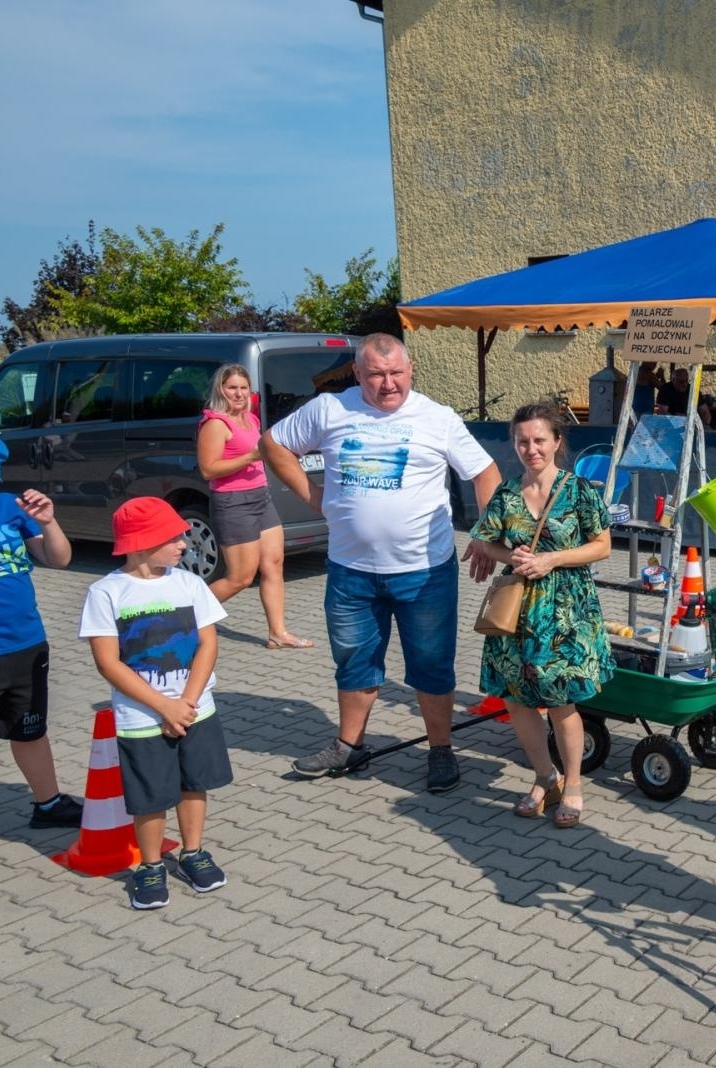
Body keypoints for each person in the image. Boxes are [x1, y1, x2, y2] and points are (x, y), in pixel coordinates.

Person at [262, 333, 502, 793]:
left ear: (411, 370)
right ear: (358, 373)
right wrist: (315, 497)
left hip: (424, 571)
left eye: (395, 373)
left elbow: (484, 471)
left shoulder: (437, 418)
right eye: (376, 374)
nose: (387, 384)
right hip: (350, 571)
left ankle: (440, 751)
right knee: (353, 661)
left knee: (431, 665)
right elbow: (273, 444)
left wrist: (486, 533)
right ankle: (349, 746)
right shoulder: (330, 409)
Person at [79, 498, 234, 910]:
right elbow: (108, 663)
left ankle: (193, 852)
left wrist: (187, 701)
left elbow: (208, 642)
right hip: (141, 715)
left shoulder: (189, 584)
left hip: (195, 706)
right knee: (150, 794)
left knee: (193, 782)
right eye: (172, 537)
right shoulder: (106, 592)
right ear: (140, 542)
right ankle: (150, 865)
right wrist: (163, 708)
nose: (183, 544)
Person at [471, 403, 614, 828]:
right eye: (522, 441)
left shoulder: (579, 490)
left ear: (557, 442)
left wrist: (553, 559)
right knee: (516, 699)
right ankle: (543, 776)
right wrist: (507, 554)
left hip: (564, 610)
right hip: (515, 612)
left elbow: (602, 545)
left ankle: (573, 784)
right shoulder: (507, 493)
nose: (530, 448)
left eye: (538, 440)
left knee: (559, 701)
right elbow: (485, 544)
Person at [0, 428, 82, 886]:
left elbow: (58, 559)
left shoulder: (10, 509)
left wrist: (48, 521)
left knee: (30, 730)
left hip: (25, 645)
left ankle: (48, 804)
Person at [197, 364, 311, 649]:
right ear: (221, 390)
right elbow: (208, 470)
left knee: (274, 564)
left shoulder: (250, 419)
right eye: (232, 387)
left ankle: (278, 634)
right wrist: (250, 456)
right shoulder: (215, 423)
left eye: (243, 387)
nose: (238, 393)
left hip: (260, 497)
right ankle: (183, 615)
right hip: (233, 503)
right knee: (240, 577)